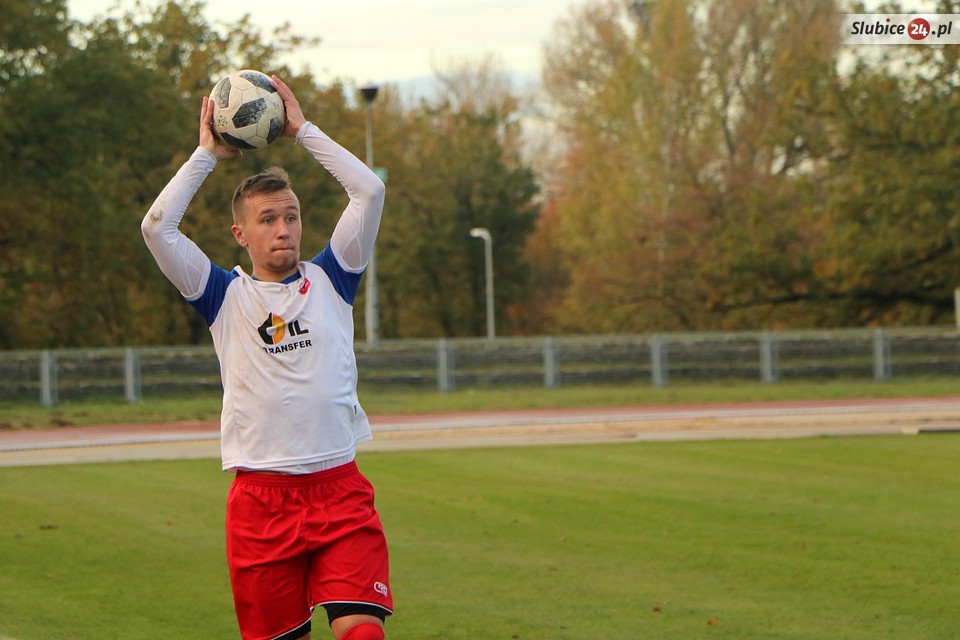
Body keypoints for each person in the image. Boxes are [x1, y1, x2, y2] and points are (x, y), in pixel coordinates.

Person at [141, 75, 391, 640]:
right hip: (261, 501)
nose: (283, 229)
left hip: (339, 488)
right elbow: (157, 228)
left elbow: (369, 192)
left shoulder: (334, 277)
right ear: (241, 234)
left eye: (291, 216)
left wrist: (303, 131)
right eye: (268, 220)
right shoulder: (222, 295)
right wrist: (206, 155)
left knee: (362, 632)